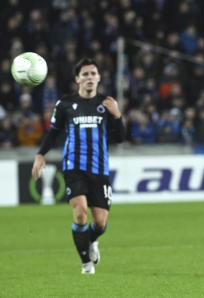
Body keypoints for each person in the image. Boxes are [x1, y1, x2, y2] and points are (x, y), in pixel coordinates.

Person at [31, 58, 126, 274]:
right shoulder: (65, 104)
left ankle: (91, 242)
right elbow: (53, 132)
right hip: (74, 167)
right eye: (85, 74)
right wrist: (40, 154)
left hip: (99, 169)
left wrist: (118, 115)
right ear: (77, 79)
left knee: (100, 222)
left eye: (93, 73)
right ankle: (86, 264)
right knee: (81, 213)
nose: (90, 77)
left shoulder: (106, 104)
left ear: (99, 77)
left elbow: (120, 138)